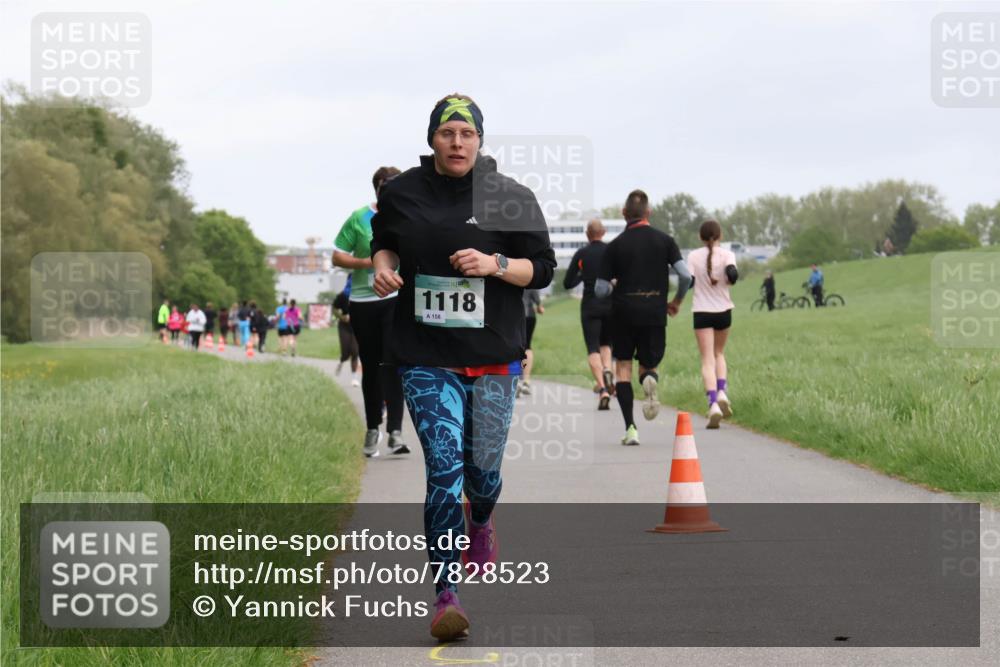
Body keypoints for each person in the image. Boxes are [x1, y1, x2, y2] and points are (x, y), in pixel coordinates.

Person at [370, 93, 556, 641]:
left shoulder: (511, 197)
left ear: (480, 140)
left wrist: (495, 264)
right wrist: (383, 269)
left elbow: (542, 269)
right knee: (445, 472)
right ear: (432, 138)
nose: (457, 143)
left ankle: (482, 520)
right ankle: (445, 595)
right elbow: (385, 243)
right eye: (448, 133)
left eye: (467, 134)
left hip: (494, 357)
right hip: (425, 357)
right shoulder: (401, 192)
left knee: (483, 475)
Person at [595, 189, 691, 446]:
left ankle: (631, 429)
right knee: (649, 364)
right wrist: (676, 302)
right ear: (648, 213)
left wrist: (615, 285)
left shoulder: (614, 246)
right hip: (655, 312)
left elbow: (600, 289)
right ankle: (650, 379)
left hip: (623, 313)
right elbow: (685, 276)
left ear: (624, 213)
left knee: (623, 367)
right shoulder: (665, 241)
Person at [333, 167, 408, 457]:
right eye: (384, 185)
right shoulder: (360, 217)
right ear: (376, 188)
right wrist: (369, 262)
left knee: (393, 363)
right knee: (372, 365)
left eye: (395, 184)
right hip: (364, 302)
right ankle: (373, 427)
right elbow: (337, 254)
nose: (389, 190)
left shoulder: (408, 215)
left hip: (397, 298)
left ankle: (396, 433)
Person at [687, 220, 737, 429]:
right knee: (719, 354)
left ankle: (713, 404)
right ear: (720, 236)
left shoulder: (692, 256)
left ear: (700, 237)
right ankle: (723, 390)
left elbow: (688, 281)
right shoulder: (727, 255)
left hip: (701, 312)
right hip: (723, 311)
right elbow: (733, 276)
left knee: (707, 359)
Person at [563, 218, 614, 410]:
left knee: (593, 348)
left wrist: (583, 275)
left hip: (590, 306)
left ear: (587, 234)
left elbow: (568, 283)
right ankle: (608, 369)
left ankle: (603, 389)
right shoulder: (611, 251)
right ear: (604, 231)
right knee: (606, 344)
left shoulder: (582, 254)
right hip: (610, 305)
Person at [516, 289, 543, 397]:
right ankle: (526, 381)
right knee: (527, 346)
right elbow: (537, 300)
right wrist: (540, 307)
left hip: (515, 314)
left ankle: (516, 381)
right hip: (530, 315)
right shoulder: (529, 273)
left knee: (515, 345)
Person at [333, 288, 361, 386]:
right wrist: (342, 317)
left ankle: (354, 378)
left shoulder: (363, 293)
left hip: (357, 325)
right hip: (344, 326)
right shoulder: (342, 295)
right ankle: (341, 362)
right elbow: (334, 309)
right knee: (345, 353)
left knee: (355, 351)